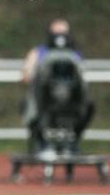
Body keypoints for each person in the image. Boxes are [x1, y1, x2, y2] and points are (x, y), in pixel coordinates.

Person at [20, 18, 94, 155]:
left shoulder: (75, 54)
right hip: (44, 101)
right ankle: (42, 143)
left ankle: (71, 143)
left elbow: (83, 78)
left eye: (63, 32)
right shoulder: (38, 52)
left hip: (71, 102)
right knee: (31, 105)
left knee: (89, 106)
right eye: (56, 32)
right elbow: (26, 76)